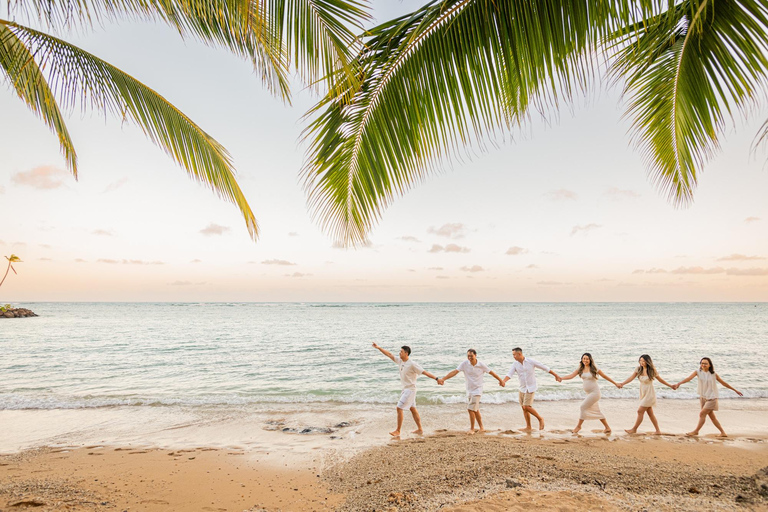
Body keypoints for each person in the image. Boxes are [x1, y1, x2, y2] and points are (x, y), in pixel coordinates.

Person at [372, 342, 441, 436]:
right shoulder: (400, 361)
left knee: (399, 407)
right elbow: (389, 354)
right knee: (413, 409)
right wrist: (378, 347)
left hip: (410, 390)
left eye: (401, 352)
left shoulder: (412, 364)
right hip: (405, 389)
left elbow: (424, 372)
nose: (399, 353)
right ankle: (420, 429)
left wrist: (436, 379)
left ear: (406, 353)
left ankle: (398, 430)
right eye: (399, 351)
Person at [438, 349, 505, 434]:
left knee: (470, 409)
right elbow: (455, 372)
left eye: (471, 356)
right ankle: (481, 428)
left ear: (475, 355)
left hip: (477, 390)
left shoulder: (481, 365)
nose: (469, 357)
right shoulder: (464, 364)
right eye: (468, 356)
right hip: (469, 390)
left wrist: (501, 380)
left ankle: (472, 429)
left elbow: (491, 373)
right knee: (475, 409)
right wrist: (443, 379)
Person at [672, 357, 743, 437]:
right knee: (712, 417)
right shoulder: (697, 372)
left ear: (709, 365)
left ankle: (696, 431)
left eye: (705, 363)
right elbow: (688, 379)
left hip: (712, 397)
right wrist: (679, 383)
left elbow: (724, 383)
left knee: (702, 414)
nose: (703, 365)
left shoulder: (713, 374)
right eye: (702, 363)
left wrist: (735, 390)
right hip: (703, 397)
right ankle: (723, 433)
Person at [502, 347, 561, 432]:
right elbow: (509, 374)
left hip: (531, 387)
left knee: (527, 406)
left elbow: (544, 367)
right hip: (522, 388)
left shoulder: (531, 361)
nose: (513, 356)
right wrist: (504, 381)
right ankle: (528, 426)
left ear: (519, 354)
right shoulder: (515, 364)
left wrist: (556, 375)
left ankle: (540, 419)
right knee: (524, 408)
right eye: (513, 355)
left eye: (514, 355)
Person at [560, 353, 620, 434]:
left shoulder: (594, 368)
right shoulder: (580, 369)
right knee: (596, 411)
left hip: (595, 393)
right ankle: (607, 428)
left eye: (587, 359)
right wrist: (561, 378)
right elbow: (571, 376)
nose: (585, 360)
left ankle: (578, 426)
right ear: (581, 359)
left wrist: (615, 383)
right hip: (589, 393)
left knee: (582, 407)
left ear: (590, 360)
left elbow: (605, 376)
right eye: (584, 358)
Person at [618, 354, 674, 435]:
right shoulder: (638, 369)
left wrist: (670, 386)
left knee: (640, 411)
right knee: (650, 414)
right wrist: (622, 383)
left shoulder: (652, 370)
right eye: (640, 360)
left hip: (649, 394)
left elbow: (661, 380)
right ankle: (658, 431)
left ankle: (634, 429)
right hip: (643, 393)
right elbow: (631, 378)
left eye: (643, 361)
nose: (642, 362)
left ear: (647, 361)